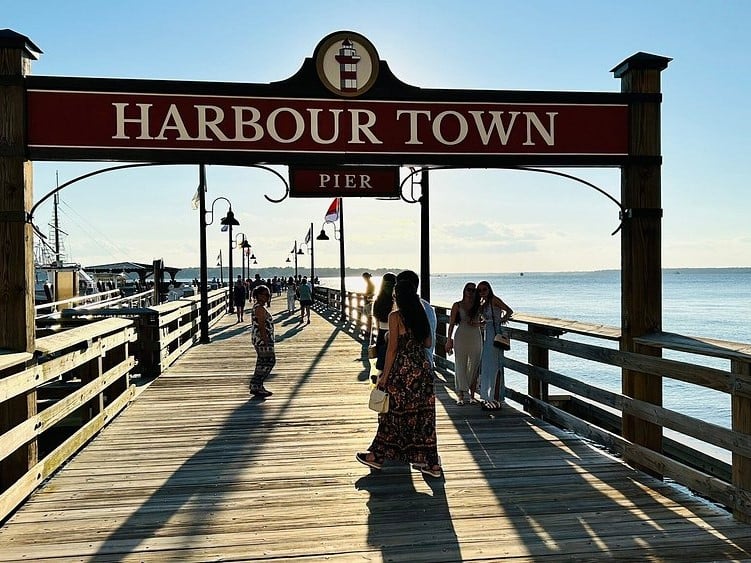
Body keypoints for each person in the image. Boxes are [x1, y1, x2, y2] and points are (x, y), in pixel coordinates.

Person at [356, 279, 442, 478]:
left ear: (398, 297)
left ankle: (377, 455)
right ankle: (432, 464)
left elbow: (393, 349)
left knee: (391, 414)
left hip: (403, 371)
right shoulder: (420, 314)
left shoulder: (395, 316)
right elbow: (428, 342)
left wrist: (384, 377)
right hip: (423, 370)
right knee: (424, 418)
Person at [477, 280, 514, 406]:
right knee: (487, 364)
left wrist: (502, 320)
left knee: (494, 365)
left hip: (494, 333)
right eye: (480, 290)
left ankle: (494, 396)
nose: (482, 292)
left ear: (489, 289)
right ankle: (488, 396)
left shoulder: (494, 299)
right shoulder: (483, 302)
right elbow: (485, 320)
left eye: (484, 289)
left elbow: (509, 310)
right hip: (488, 333)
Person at [445, 282, 482, 405]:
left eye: (473, 290)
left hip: (475, 336)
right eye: (469, 289)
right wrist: (449, 339)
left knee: (474, 364)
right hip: (461, 336)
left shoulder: (479, 306)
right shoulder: (457, 305)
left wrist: (478, 324)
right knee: (460, 365)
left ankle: (472, 395)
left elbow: (487, 321)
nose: (471, 292)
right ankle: (460, 396)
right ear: (464, 290)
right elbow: (451, 324)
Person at [396, 270, 437, 367]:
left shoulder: (405, 311)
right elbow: (429, 339)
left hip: (408, 364)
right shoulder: (428, 307)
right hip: (426, 361)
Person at [249, 284, 275, 398]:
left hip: (260, 339)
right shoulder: (259, 308)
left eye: (269, 295)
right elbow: (261, 326)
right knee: (269, 361)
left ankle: (257, 386)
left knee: (262, 362)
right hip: (262, 339)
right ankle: (256, 384)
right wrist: (265, 339)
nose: (268, 297)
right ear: (259, 295)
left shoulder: (258, 307)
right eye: (265, 295)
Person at [371, 272, 397, 374]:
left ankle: (381, 383)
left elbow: (376, 320)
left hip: (382, 332)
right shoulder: (397, 300)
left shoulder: (378, 300)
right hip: (394, 332)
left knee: (382, 363)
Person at [362, 272, 376, 342]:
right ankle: (368, 331)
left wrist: (366, 295)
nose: (363, 279)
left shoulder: (370, 284)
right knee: (368, 318)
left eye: (364, 277)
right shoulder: (369, 284)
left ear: (366, 277)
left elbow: (372, 293)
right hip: (367, 302)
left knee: (369, 318)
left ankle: (369, 332)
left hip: (368, 302)